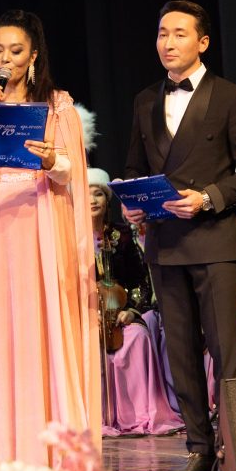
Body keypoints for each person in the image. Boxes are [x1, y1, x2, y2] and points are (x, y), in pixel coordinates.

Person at [123, 0, 236, 471]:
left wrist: (208, 197)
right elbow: (134, 167)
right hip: (165, 244)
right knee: (180, 352)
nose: (168, 43)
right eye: (162, 33)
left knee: (225, 350)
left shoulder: (231, 97)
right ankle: (199, 447)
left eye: (179, 34)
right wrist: (131, 201)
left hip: (215, 242)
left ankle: (234, 447)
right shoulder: (145, 99)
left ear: (202, 42)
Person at [0, 8, 100, 467]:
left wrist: (51, 160)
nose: (5, 59)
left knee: (40, 331)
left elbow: (70, 171)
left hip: (39, 229)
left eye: (16, 51)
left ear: (33, 56)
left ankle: (47, 449)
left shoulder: (57, 105)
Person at [89, 167, 183, 437]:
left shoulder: (122, 236)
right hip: (85, 316)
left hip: (118, 314)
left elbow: (142, 281)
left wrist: (131, 310)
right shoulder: (69, 238)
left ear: (107, 200)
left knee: (138, 336)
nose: (93, 200)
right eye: (88, 194)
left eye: (99, 194)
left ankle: (140, 413)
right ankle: (98, 415)